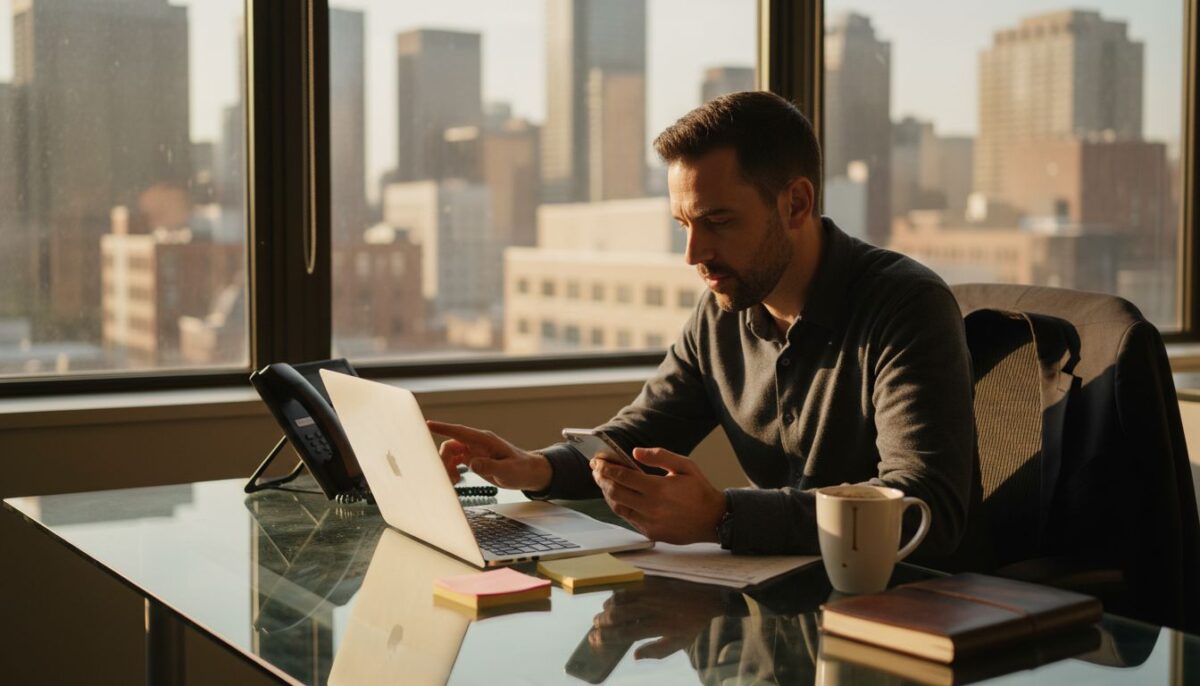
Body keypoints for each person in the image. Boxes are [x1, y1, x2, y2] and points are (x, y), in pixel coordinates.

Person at [429, 90, 975, 559]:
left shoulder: (906, 305)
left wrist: (723, 517)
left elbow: (925, 505)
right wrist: (535, 468)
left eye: (718, 220)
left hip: (908, 611)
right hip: (792, 602)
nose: (694, 253)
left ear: (796, 203)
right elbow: (638, 436)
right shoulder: (722, 311)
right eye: (684, 224)